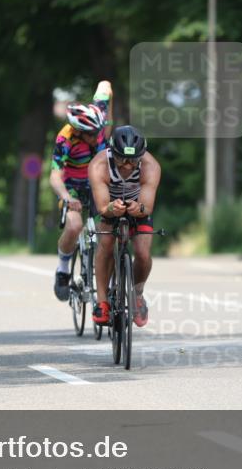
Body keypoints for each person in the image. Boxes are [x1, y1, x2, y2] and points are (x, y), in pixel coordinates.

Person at [89, 125, 161, 327]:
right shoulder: (98, 165)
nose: (128, 165)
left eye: (133, 160)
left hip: (138, 205)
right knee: (106, 243)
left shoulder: (151, 166)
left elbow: (146, 207)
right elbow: (103, 207)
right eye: (122, 159)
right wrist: (112, 209)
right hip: (109, 204)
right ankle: (102, 301)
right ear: (112, 152)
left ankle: (137, 295)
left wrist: (138, 208)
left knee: (143, 253)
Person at [49, 80, 113, 301]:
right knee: (75, 225)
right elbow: (55, 175)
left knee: (108, 230)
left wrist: (108, 113)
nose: (97, 137)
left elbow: (105, 85)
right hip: (72, 186)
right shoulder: (65, 139)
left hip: (98, 182)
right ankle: (63, 270)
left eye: (98, 131)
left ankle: (109, 281)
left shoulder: (98, 117)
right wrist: (66, 198)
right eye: (91, 134)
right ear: (78, 131)